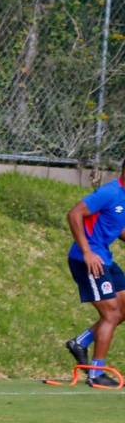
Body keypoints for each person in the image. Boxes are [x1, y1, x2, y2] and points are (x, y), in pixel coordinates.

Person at [63, 157, 125, 387]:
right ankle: (95, 373)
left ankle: (81, 343)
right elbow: (74, 214)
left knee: (123, 309)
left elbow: (115, 227)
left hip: (104, 257)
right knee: (111, 314)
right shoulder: (109, 192)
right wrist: (87, 252)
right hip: (86, 259)